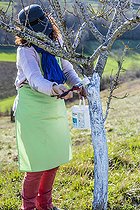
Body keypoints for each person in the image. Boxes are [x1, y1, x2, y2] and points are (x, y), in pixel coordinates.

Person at [14, 4, 85, 210]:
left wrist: (78, 84)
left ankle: (45, 205)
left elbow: (67, 68)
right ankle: (28, 208)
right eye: (33, 25)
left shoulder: (56, 41)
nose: (40, 27)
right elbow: (35, 79)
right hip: (33, 107)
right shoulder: (25, 50)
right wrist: (55, 89)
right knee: (36, 165)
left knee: (53, 160)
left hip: (53, 106)